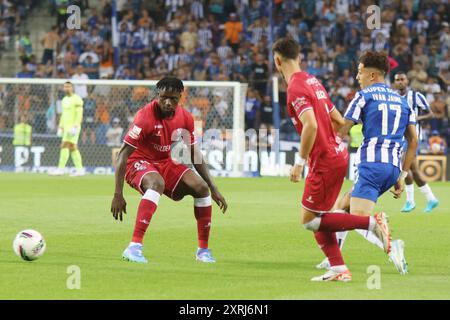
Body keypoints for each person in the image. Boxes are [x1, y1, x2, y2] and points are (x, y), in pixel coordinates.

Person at [272, 38, 391, 282]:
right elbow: (337, 119)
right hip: (336, 154)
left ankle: (371, 222)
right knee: (321, 216)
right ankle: (338, 269)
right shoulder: (312, 81)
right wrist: (332, 143)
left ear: (277, 61)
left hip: (324, 160)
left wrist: (300, 161)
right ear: (300, 58)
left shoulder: (295, 87)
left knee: (309, 220)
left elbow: (311, 124)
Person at [316, 51, 419, 275]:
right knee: (342, 206)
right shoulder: (402, 101)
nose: (357, 77)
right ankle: (334, 257)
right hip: (391, 168)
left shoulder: (364, 96)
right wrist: (401, 176)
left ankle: (392, 247)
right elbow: (414, 140)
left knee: (358, 219)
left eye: (360, 72)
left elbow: (343, 129)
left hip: (371, 165)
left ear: (372, 75)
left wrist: (322, 118)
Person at [110, 77, 228, 264]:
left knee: (201, 188)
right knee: (156, 183)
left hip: (164, 162)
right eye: (163, 97)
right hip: (138, 162)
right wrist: (118, 193)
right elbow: (123, 154)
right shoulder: (144, 116)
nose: (167, 102)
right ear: (157, 95)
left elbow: (194, 154)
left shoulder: (185, 117)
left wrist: (213, 188)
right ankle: (133, 247)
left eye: (173, 98)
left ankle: (203, 251)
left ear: (180, 97)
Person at [393, 72, 439, 213]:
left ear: (407, 81)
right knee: (413, 170)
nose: (400, 82)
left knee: (403, 166)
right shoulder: (393, 97)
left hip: (412, 138)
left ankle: (410, 201)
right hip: (399, 137)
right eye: (397, 80)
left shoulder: (416, 96)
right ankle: (431, 199)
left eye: (402, 79)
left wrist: (413, 119)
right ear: (395, 82)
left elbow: (430, 114)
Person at [50, 82, 85, 176]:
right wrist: (60, 126)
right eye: (65, 86)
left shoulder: (77, 99)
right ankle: (80, 170)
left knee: (64, 145)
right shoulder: (64, 100)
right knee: (72, 147)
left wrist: (76, 125)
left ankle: (61, 169)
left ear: (72, 88)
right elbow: (63, 114)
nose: (67, 88)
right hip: (65, 128)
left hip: (73, 127)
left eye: (68, 86)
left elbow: (79, 113)